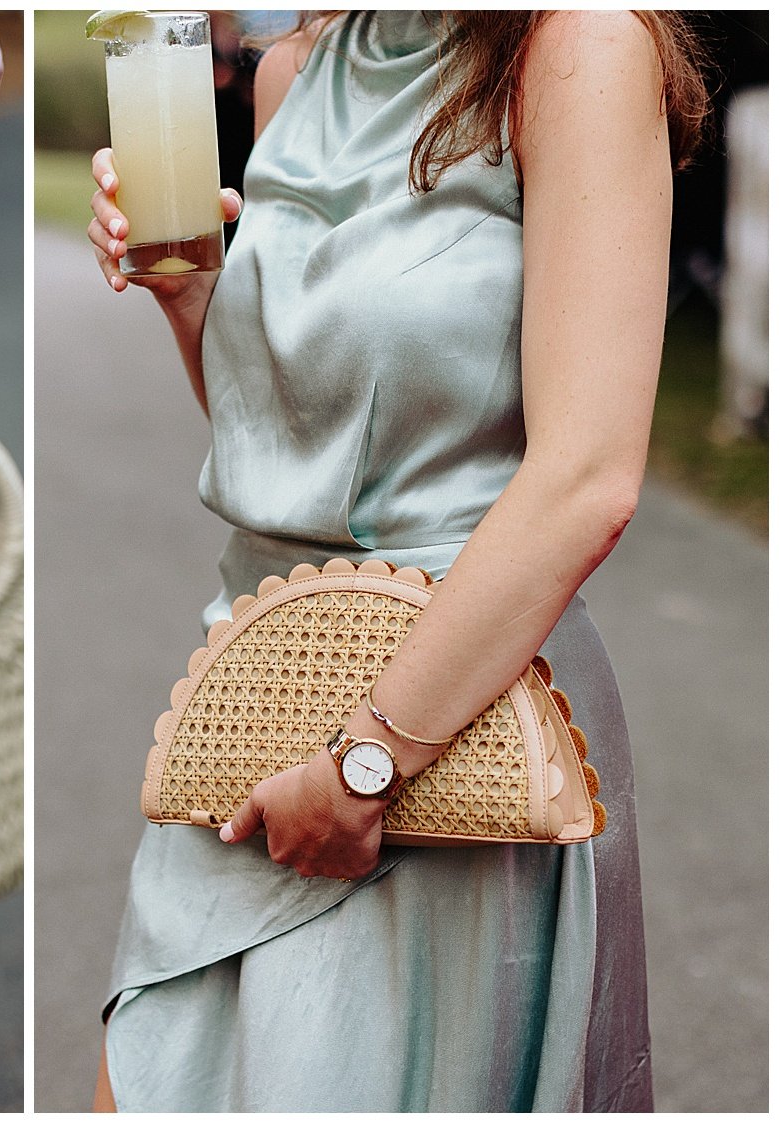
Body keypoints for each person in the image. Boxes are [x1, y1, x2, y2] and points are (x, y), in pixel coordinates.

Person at [86, 10, 706, 1111]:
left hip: (452, 722)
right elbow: (282, 450)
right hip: (257, 689)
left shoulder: (576, 48)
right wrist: (191, 292)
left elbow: (586, 480)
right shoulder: (296, 68)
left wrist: (365, 765)